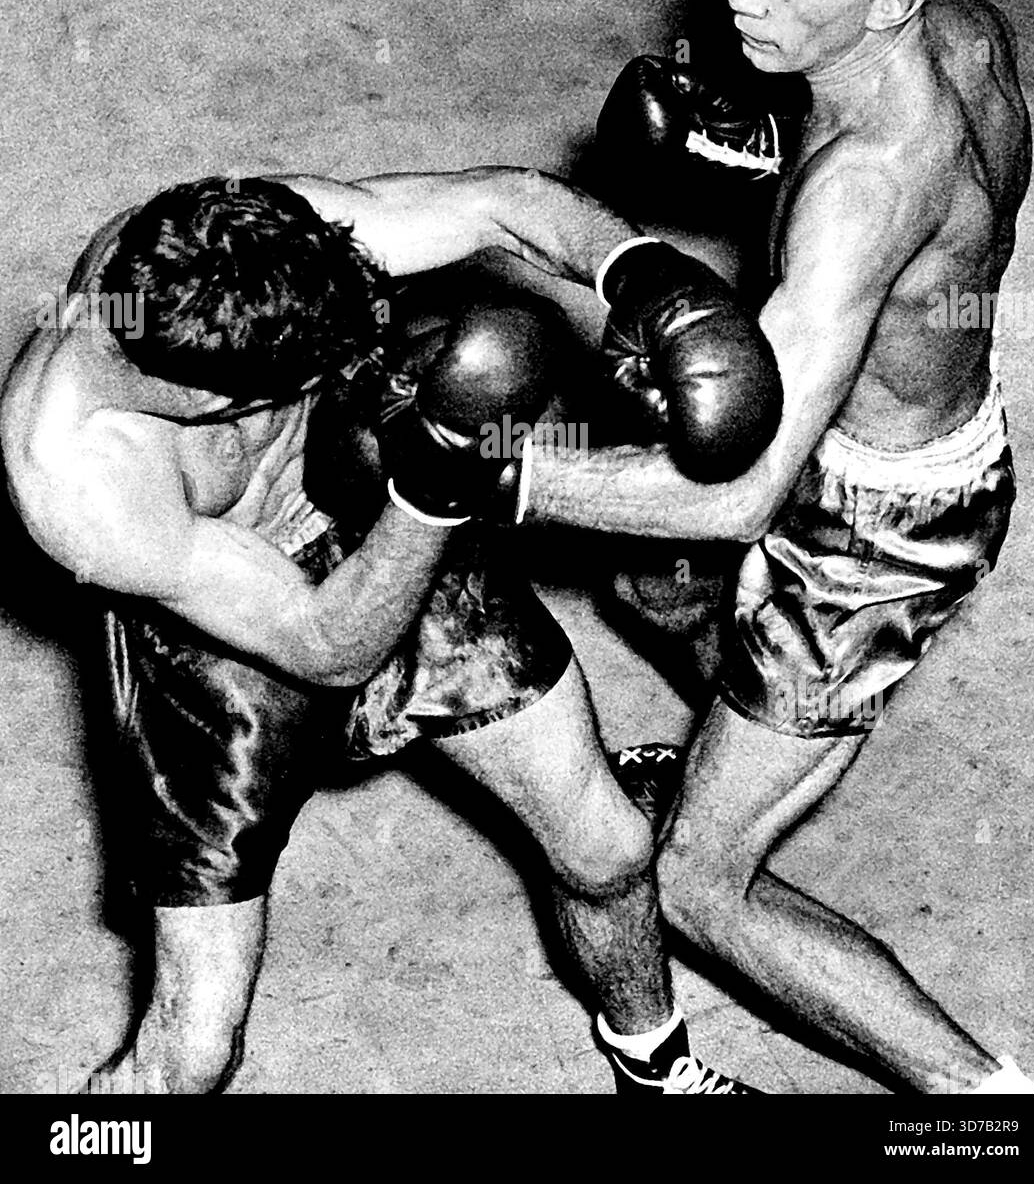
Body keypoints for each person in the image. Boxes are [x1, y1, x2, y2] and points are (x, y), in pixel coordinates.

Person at [0, 168, 780, 1094]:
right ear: (222, 405)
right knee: (196, 1048)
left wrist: (650, 276)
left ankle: (653, 1068)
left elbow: (501, 202)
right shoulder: (77, 475)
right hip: (221, 645)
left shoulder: (237, 246)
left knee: (607, 847)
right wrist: (438, 485)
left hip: (377, 514)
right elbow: (328, 645)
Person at [525, 0, 1034, 1093]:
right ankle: (736, 736)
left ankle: (989, 1106)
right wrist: (752, 145)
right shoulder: (966, 27)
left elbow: (736, 491)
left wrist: (501, 475)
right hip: (880, 429)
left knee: (698, 881)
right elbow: (925, 230)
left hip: (873, 535)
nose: (745, 0)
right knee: (641, 572)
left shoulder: (864, 187)